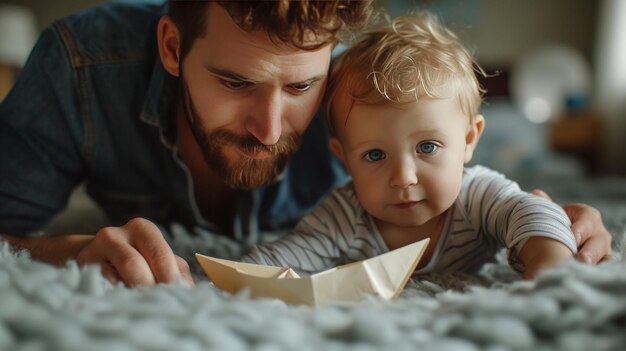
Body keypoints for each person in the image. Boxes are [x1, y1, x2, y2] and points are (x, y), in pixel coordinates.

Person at [0, 1, 612, 286]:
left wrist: (553, 230)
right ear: (170, 47)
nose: (269, 128)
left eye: (301, 86)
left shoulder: (364, 102)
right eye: (235, 81)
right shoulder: (80, 70)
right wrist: (67, 252)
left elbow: (487, 201)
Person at [241, 13, 596, 279]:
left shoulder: (477, 196)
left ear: (469, 139)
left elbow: (532, 214)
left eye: (427, 147)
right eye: (375, 155)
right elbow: (281, 259)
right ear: (344, 158)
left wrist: (551, 275)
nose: (403, 177)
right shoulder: (344, 215)